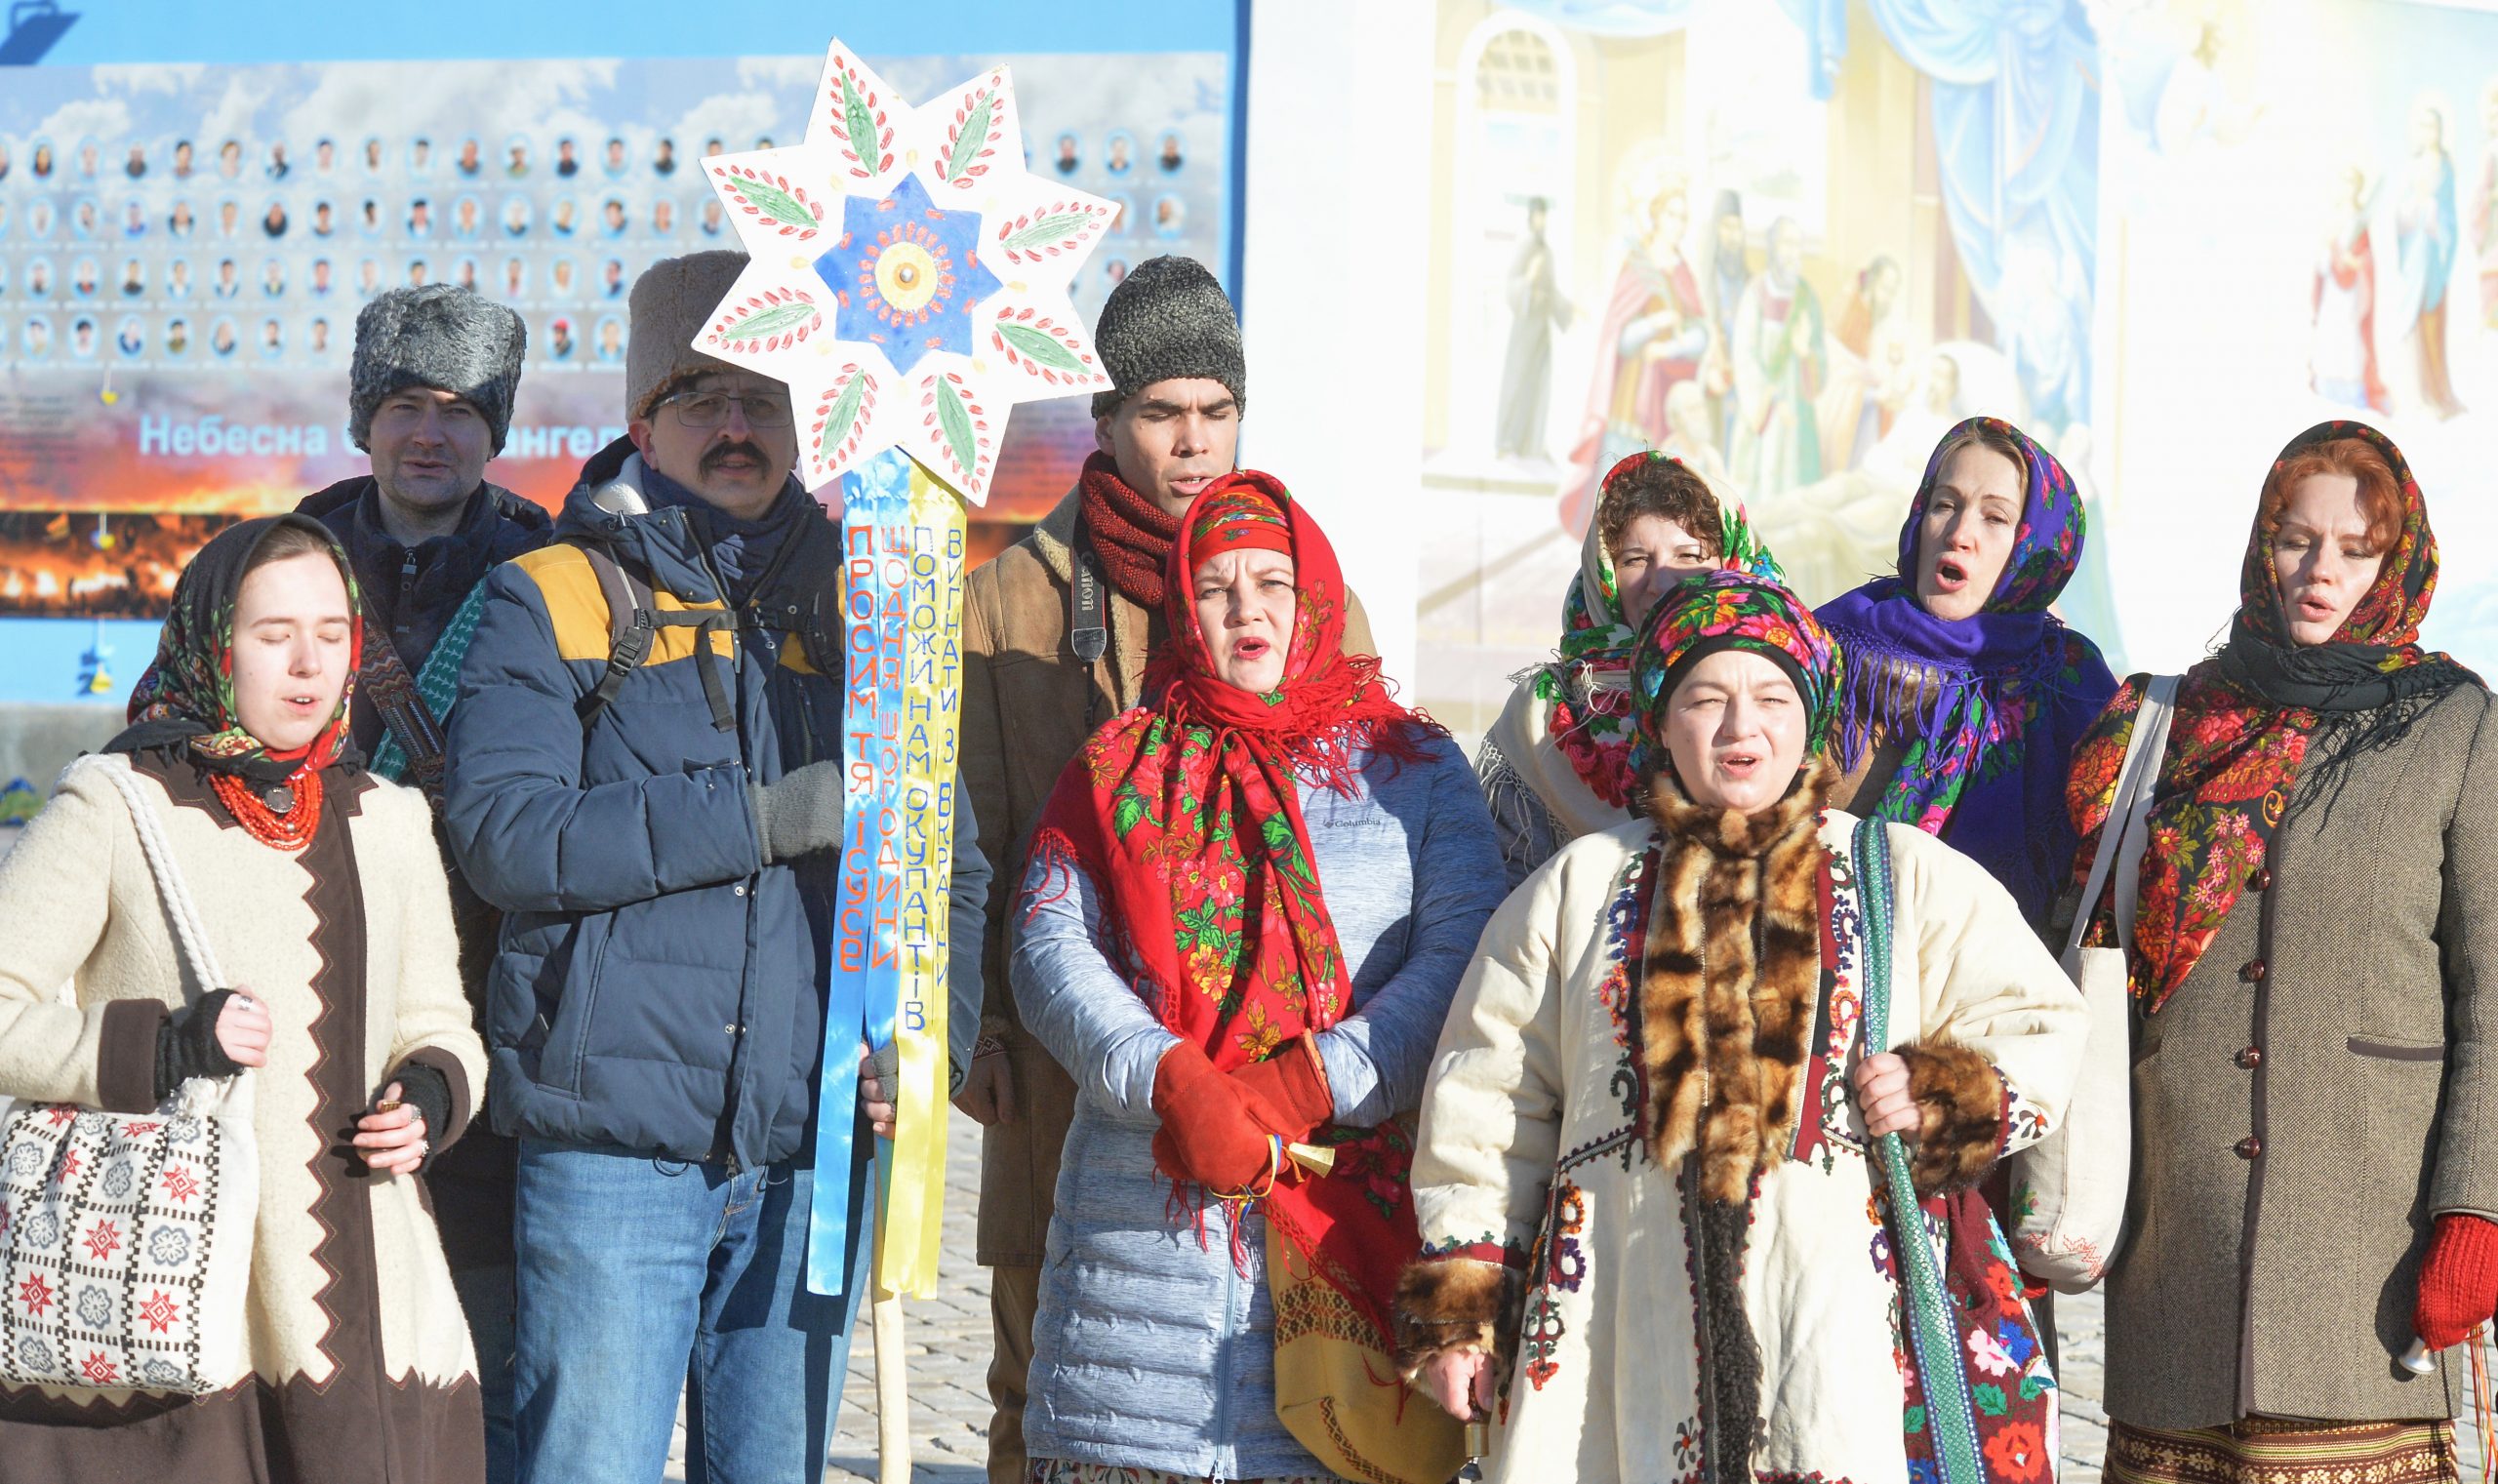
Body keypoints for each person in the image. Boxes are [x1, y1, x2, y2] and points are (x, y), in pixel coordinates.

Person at [443, 250, 989, 1484]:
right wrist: (762, 815)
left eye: (765, 393)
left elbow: (942, 861)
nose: (736, 425)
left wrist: (925, 1035)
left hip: (812, 1149)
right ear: (643, 419)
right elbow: (507, 837)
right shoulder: (555, 595)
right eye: (700, 396)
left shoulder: (877, 603)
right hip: (612, 1151)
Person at [1395, 570, 2085, 1483]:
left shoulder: (1905, 871)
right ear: (1660, 718)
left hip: (1842, 1340)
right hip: (1617, 1334)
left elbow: (2036, 1020)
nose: (1738, 727)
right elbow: (1486, 1102)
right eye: (1704, 698)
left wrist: (1941, 1089)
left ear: (1810, 718)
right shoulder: (1575, 890)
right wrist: (1463, 1310)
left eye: (1769, 695)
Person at [957, 255, 1377, 1484]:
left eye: (1214, 410)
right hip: (1064, 1049)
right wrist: (972, 1023)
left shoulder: (1307, 595)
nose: (1191, 441)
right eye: (1158, 413)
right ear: (1103, 422)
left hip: (1274, 1070)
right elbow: (974, 837)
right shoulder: (1009, 602)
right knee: (1039, 1383)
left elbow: (1360, 819)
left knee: (1263, 1388)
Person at [1012, 475, 1506, 1482]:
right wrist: (1172, 1080)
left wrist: (1315, 1079)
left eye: (1272, 582)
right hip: (1139, 1251)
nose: (1246, 609)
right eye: (1216, 585)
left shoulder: (1410, 767)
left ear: (1316, 594)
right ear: (1181, 611)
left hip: (1341, 1232)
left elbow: (1465, 956)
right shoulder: (1117, 764)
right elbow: (1046, 943)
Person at [0, 515, 488, 1482]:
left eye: (334, 634)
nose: (309, 664)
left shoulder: (390, 820)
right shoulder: (117, 801)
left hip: (374, 1311)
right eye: (273, 636)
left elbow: (439, 1024)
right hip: (168, 1309)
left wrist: (433, 1096)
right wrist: (164, 1046)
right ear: (214, 641)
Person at [2072, 422, 2498, 1478]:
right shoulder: (2169, 721)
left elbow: (2491, 992)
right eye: (2295, 539)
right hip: (2173, 1241)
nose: (2320, 571)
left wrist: (2474, 1209)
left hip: (2366, 1235)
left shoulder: (2456, 725)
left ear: (2394, 561)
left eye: (2354, 549)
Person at [294, 283, 552, 1483]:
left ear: (495, 431)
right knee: (311, 1322)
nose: (431, 433)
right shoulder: (278, 561)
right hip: (303, 988)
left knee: (484, 1352)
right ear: (364, 418)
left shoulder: (555, 569)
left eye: (461, 409)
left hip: (494, 1009)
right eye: (406, 404)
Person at [1816, 417, 2116, 930]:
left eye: (1995, 518)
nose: (1959, 534)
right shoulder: (1829, 648)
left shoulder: (2072, 685)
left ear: (2036, 549)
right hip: (1832, 966)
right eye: (1945, 505)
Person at [1477, 450, 1781, 891]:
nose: (1661, 582)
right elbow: (1504, 880)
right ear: (1603, 576)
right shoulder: (1545, 712)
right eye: (1635, 559)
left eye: (1689, 555)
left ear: (1732, 564)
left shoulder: (1788, 687)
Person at [1728, 216, 1827, 498]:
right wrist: (1774, 401)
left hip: (1799, 413)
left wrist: (1806, 352)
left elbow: (1820, 356)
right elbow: (1744, 355)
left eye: (1798, 245)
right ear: (1773, 248)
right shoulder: (1757, 294)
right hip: (1765, 411)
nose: (1792, 251)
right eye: (1786, 243)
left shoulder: (1807, 297)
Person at [1494, 195, 1572, 461]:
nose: (1542, 220)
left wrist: (1570, 309)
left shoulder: (1546, 250)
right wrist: (1527, 279)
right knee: (1518, 381)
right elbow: (1512, 284)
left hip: (1541, 328)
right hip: (1525, 326)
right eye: (1538, 215)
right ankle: (1507, 442)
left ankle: (1531, 444)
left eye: (1545, 215)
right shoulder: (1525, 246)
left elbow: (1550, 290)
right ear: (1531, 217)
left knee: (1538, 385)